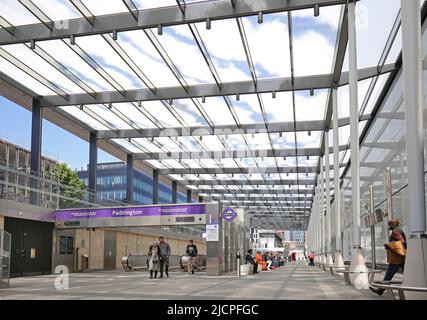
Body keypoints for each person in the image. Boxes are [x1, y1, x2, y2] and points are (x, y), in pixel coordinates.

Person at [370, 229, 406, 296]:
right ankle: (380, 290)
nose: (389, 224)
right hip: (399, 258)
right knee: (390, 275)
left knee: (388, 275)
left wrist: (389, 247)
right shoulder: (396, 232)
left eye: (391, 223)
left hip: (397, 259)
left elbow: (402, 243)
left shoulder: (397, 231)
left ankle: (380, 290)